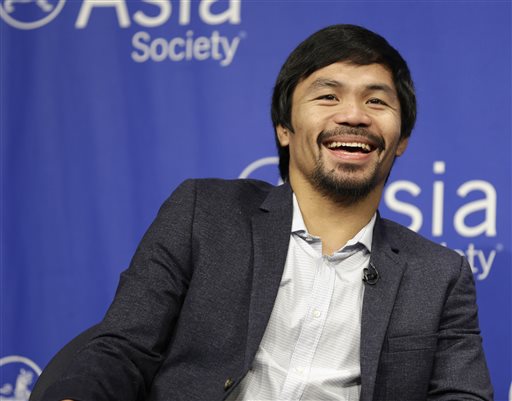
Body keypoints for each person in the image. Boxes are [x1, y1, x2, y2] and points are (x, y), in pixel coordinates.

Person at [44, 24, 493, 401]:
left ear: (402, 138)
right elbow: (123, 349)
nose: (354, 115)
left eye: (377, 101)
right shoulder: (204, 214)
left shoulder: (439, 275)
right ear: (284, 127)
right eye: (328, 97)